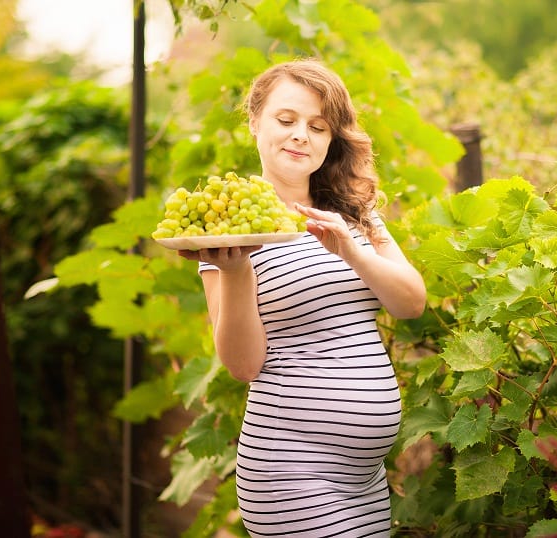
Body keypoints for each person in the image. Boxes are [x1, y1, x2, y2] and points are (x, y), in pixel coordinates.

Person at [178, 58, 427, 537]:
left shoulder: (355, 210)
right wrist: (236, 272)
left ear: (331, 139)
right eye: (286, 119)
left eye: (317, 126)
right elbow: (243, 366)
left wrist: (352, 252)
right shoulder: (229, 225)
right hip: (290, 470)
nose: (300, 136)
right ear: (255, 122)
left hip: (366, 480)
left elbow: (411, 302)